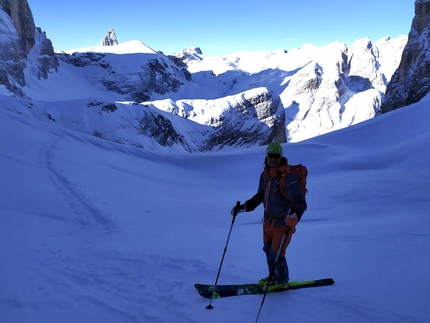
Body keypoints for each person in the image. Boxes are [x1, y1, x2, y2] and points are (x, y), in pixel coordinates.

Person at [231, 142, 307, 291]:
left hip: (283, 223)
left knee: (277, 254)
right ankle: (272, 276)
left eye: (276, 156)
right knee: (267, 250)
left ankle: (282, 281)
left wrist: (294, 215)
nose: (273, 159)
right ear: (266, 157)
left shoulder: (288, 177)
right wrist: (245, 207)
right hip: (268, 221)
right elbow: (260, 195)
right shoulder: (265, 174)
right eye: (270, 156)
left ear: (281, 156)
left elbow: (300, 202)